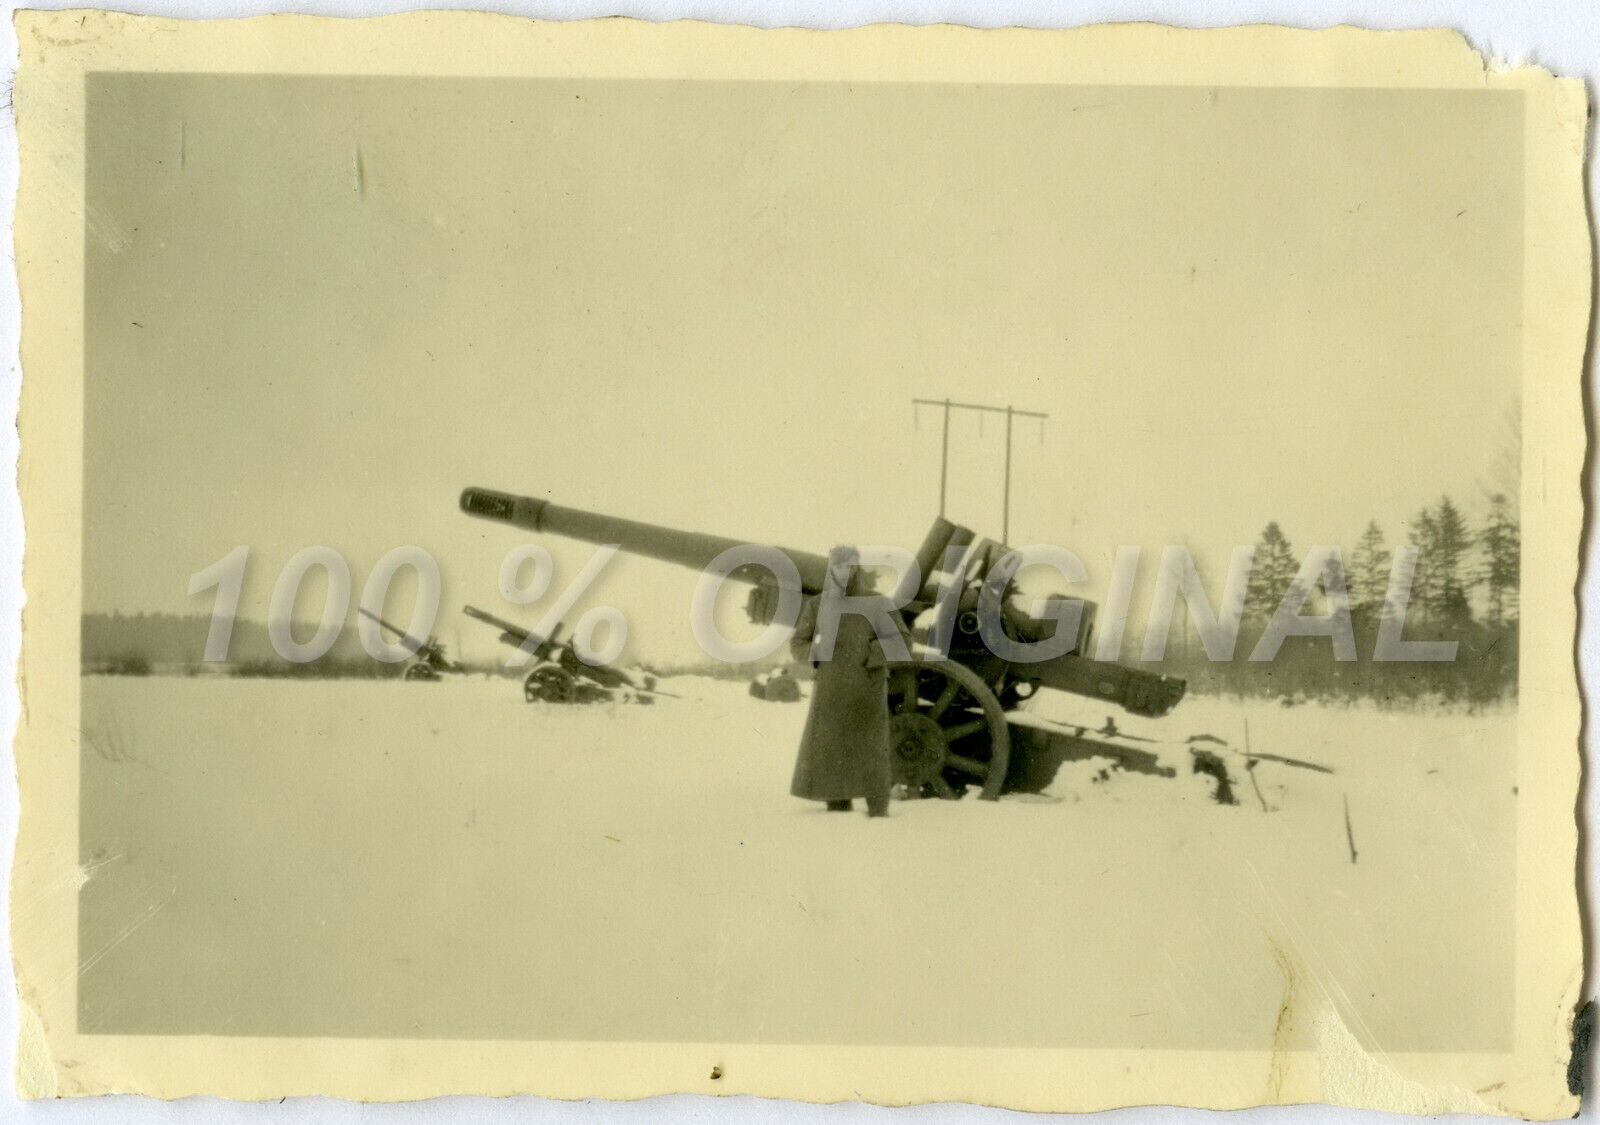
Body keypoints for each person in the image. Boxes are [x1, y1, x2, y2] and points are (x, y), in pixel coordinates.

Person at [788, 546, 903, 818]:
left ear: (856, 568)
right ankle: (838, 808)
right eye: (838, 566)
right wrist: (819, 653)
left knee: (871, 749)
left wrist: (871, 656)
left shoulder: (877, 603)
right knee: (832, 747)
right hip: (831, 688)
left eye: (849, 566)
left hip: (867, 687)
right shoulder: (818, 604)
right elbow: (798, 643)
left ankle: (878, 809)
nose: (843, 572)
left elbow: (901, 641)